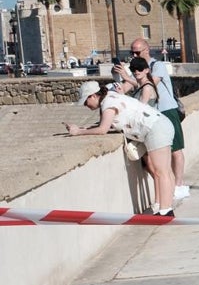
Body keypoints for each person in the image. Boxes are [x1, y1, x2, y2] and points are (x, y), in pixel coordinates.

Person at [66, 80, 176, 216]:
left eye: (85, 102)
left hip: (154, 128)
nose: (85, 105)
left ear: (93, 96)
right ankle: (164, 207)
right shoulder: (111, 96)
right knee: (165, 171)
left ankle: (166, 211)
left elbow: (103, 129)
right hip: (159, 124)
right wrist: (86, 128)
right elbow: (106, 124)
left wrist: (78, 132)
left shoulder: (108, 103)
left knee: (161, 172)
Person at [115, 38, 189, 201]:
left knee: (176, 150)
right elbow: (131, 86)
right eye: (131, 52)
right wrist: (117, 87)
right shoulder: (135, 69)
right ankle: (169, 185)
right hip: (152, 117)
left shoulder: (158, 66)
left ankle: (179, 185)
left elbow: (148, 84)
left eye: (137, 52)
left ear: (147, 50)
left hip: (167, 111)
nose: (133, 55)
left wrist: (127, 77)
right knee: (155, 156)